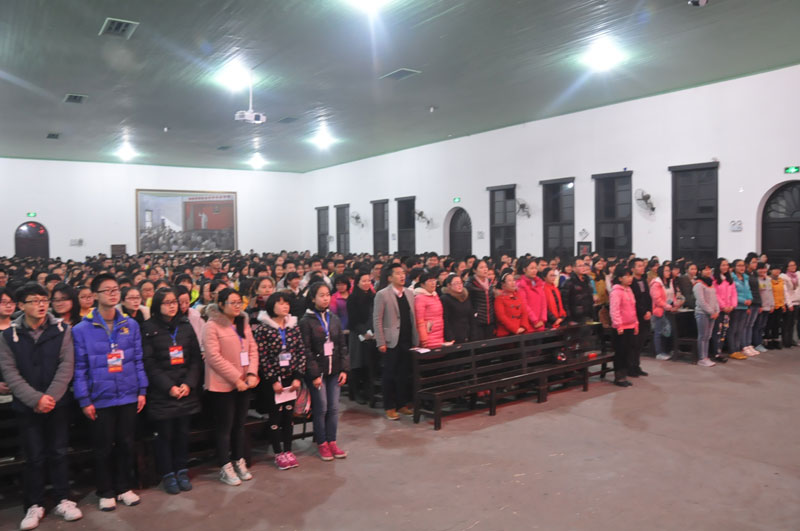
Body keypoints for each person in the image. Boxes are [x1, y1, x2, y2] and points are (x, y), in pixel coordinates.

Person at [0, 282, 83, 529]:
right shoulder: (8, 336)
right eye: (34, 301)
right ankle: (34, 504)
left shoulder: (62, 330)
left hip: (57, 403)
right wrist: (35, 399)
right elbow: (10, 372)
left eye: (44, 300)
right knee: (33, 456)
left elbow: (66, 366)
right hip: (27, 406)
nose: (41, 305)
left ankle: (63, 499)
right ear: (21, 305)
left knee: (58, 452)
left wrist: (50, 397)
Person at [72, 273, 148, 511]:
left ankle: (124, 487)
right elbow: (80, 367)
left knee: (126, 443)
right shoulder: (81, 329)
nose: (113, 294)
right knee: (103, 447)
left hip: (127, 393)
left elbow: (138, 360)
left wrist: (142, 390)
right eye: (107, 290)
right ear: (95, 295)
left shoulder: (130, 325)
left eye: (116, 289)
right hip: (100, 397)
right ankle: (105, 490)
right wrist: (84, 399)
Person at [142, 288, 203, 495]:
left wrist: (188, 384)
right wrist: (169, 387)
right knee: (165, 435)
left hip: (185, 389)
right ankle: (168, 473)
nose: (172, 306)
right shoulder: (148, 328)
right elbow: (149, 363)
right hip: (163, 392)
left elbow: (195, 359)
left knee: (182, 434)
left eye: (174, 302)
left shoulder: (185, 325)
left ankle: (182, 470)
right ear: (157, 305)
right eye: (167, 303)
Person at [202, 288, 259, 486]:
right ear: (221, 304)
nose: (237, 306)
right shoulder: (212, 325)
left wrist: (251, 373)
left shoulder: (243, 321)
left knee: (239, 425)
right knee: (224, 427)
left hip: (244, 383)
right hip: (222, 385)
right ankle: (225, 466)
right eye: (232, 302)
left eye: (239, 302)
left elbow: (252, 349)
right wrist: (236, 379)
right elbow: (213, 357)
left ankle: (238, 460)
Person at [253, 292, 307, 470]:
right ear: (271, 306)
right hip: (273, 381)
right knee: (275, 417)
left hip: (291, 379)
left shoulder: (293, 326)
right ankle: (278, 453)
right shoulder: (263, 329)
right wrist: (272, 380)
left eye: (287, 303)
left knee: (289, 416)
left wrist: (298, 377)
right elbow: (262, 357)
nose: (285, 306)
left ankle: (289, 450)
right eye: (280, 303)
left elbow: (300, 352)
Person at [300, 282, 349, 460]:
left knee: (334, 408)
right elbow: (306, 350)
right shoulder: (306, 321)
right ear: (313, 298)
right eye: (321, 295)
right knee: (321, 408)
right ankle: (322, 443)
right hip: (317, 373)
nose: (326, 298)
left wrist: (344, 369)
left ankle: (332, 441)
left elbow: (342, 345)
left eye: (328, 294)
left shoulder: (333, 318)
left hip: (334, 369)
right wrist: (314, 374)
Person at [373, 263, 419, 421]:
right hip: (390, 340)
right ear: (390, 277)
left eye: (403, 273)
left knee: (403, 373)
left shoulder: (409, 293)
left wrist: (415, 338)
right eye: (398, 273)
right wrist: (380, 341)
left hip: (407, 339)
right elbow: (377, 319)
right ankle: (389, 406)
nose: (402, 276)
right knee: (389, 374)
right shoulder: (382, 294)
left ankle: (402, 404)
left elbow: (412, 317)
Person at [346, 271, 375, 403]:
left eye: (368, 280)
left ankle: (367, 391)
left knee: (368, 364)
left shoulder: (373, 296)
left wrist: (371, 331)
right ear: (357, 283)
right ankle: (355, 392)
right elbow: (353, 318)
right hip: (357, 334)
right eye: (364, 281)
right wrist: (364, 332)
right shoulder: (353, 298)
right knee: (357, 364)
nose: (367, 283)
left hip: (371, 333)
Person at [608, 267, 636, 387]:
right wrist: (618, 325)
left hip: (630, 325)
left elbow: (633, 308)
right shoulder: (616, 292)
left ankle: (624, 375)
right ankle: (619, 377)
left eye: (631, 276)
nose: (630, 278)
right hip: (620, 327)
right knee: (620, 352)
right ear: (620, 278)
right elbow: (614, 310)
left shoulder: (629, 290)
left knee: (628, 351)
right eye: (627, 276)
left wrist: (636, 323)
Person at [693, 265, 719, 367]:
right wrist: (711, 312)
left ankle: (706, 356)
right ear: (700, 271)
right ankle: (701, 358)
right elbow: (701, 301)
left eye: (709, 269)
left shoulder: (710, 283)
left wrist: (717, 310)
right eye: (705, 269)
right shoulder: (698, 284)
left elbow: (715, 298)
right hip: (702, 313)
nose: (708, 271)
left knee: (708, 336)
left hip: (712, 313)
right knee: (702, 336)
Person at [712, 259, 738, 360]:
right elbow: (716, 295)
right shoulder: (714, 280)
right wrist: (723, 306)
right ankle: (716, 352)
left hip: (728, 310)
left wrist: (732, 305)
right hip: (719, 310)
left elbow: (734, 294)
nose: (725, 267)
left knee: (724, 331)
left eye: (726, 265)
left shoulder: (729, 279)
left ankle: (720, 350)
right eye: (723, 265)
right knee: (717, 331)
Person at [629, 258, 652, 377]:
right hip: (636, 315)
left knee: (640, 343)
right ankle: (630, 367)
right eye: (639, 266)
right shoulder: (631, 282)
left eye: (642, 265)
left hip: (646, 315)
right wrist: (643, 312)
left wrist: (649, 311)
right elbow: (634, 301)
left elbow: (648, 297)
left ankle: (636, 366)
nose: (642, 268)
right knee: (633, 343)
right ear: (632, 269)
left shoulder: (643, 280)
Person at [730, 259, 756, 357]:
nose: (742, 268)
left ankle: (738, 348)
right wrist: (742, 300)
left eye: (743, 265)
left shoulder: (745, 277)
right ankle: (732, 350)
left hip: (745, 307)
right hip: (736, 306)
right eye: (739, 265)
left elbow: (748, 290)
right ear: (734, 267)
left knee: (740, 329)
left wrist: (750, 299)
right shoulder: (732, 278)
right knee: (733, 329)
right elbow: (732, 293)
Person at [414, 272, 446, 348]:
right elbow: (419, 321)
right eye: (430, 281)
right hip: (428, 336)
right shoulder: (420, 298)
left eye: (434, 280)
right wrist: (423, 339)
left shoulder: (435, 295)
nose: (433, 283)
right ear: (422, 284)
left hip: (439, 334)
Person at [465, 260, 495, 340]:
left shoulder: (490, 282)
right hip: (477, 321)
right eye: (481, 267)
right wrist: (475, 314)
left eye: (486, 267)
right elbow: (468, 303)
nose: (485, 269)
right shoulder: (470, 284)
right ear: (474, 270)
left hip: (490, 320)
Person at [495, 271, 532, 337]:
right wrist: (515, 329)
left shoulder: (518, 296)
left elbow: (524, 312)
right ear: (503, 284)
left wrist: (523, 326)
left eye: (513, 280)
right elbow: (501, 317)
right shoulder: (499, 299)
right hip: (506, 334)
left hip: (521, 331)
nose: (513, 282)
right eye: (509, 281)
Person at [650, 265, 675, 361]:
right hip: (660, 310)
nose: (668, 272)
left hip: (669, 309)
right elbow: (657, 299)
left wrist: (674, 303)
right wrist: (666, 305)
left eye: (669, 270)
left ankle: (667, 350)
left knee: (668, 331)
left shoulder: (670, 282)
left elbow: (672, 295)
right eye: (666, 271)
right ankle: (659, 352)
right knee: (659, 332)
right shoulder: (656, 283)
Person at [440, 274, 475, 344]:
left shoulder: (465, 296)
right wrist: (450, 337)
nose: (459, 285)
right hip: (454, 334)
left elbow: (471, 316)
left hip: (467, 333)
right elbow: (445, 319)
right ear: (449, 285)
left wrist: (473, 333)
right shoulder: (445, 298)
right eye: (456, 283)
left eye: (460, 283)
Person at [515, 258, 546, 332]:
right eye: (531, 268)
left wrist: (543, 319)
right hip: (529, 324)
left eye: (535, 268)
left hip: (541, 323)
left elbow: (544, 303)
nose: (534, 270)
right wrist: (535, 321)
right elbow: (524, 305)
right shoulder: (521, 284)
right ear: (524, 270)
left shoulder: (539, 283)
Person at [560, 258, 594, 324]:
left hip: (588, 315)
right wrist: (569, 319)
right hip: (575, 317)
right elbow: (565, 302)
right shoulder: (569, 283)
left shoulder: (587, 281)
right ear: (573, 268)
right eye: (580, 266)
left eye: (584, 265)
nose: (583, 268)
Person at [766, 265, 790, 349]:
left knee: (777, 324)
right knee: (769, 324)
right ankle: (768, 341)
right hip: (771, 306)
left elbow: (782, 293)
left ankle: (775, 340)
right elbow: (768, 293)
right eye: (775, 269)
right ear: (771, 270)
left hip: (780, 305)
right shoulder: (768, 280)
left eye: (778, 269)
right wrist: (771, 304)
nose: (777, 271)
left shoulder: (781, 280)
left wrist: (783, 304)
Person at [752, 262, 773, 352]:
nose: (762, 270)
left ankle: (760, 342)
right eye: (760, 268)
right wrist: (760, 305)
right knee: (757, 326)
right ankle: (756, 343)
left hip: (768, 306)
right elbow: (757, 294)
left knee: (762, 326)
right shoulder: (755, 280)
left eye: (763, 268)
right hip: (760, 306)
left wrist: (772, 304)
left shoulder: (768, 279)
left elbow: (770, 293)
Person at [780, 260, 800, 347]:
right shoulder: (784, 277)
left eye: (794, 265)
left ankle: (791, 340)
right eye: (790, 265)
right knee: (787, 323)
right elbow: (785, 292)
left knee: (792, 323)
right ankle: (786, 341)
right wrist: (789, 303)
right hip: (789, 302)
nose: (793, 267)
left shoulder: (798, 275)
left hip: (797, 302)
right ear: (787, 267)